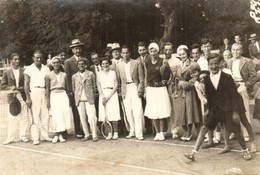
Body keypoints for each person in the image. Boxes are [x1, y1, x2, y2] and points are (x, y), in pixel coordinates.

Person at [185, 53, 252, 161]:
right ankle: (193, 153)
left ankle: (245, 151)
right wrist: (208, 110)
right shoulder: (206, 79)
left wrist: (235, 112)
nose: (214, 66)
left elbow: (234, 96)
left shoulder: (227, 77)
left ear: (220, 64)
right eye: (211, 64)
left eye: (216, 64)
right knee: (203, 129)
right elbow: (210, 97)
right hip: (215, 110)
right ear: (208, 65)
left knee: (236, 131)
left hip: (228, 109)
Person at [228, 43, 258, 142]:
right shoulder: (228, 61)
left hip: (242, 86)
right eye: (233, 50)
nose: (235, 52)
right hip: (232, 87)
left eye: (237, 50)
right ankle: (234, 132)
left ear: (241, 51)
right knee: (232, 110)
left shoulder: (247, 61)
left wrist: (246, 85)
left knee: (243, 110)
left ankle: (246, 133)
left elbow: (254, 76)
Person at [24, 50, 52, 145]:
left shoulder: (46, 69)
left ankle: (44, 135)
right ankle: (35, 137)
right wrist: (28, 98)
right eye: (37, 57)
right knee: (35, 115)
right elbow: (26, 85)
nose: (39, 59)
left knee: (45, 115)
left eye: (40, 57)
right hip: (34, 92)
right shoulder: (29, 69)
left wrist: (48, 99)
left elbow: (48, 85)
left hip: (43, 91)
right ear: (33, 58)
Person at [144, 42, 171, 141]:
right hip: (151, 90)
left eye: (154, 50)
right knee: (153, 112)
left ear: (158, 51)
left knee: (161, 111)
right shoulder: (146, 62)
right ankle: (157, 132)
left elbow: (169, 74)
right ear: (149, 51)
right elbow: (146, 76)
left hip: (160, 89)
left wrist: (165, 81)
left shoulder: (163, 61)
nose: (152, 52)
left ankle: (162, 133)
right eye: (151, 50)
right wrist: (146, 89)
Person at [64, 39, 91, 138]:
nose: (78, 51)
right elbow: (68, 77)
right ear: (72, 50)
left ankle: (87, 130)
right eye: (76, 49)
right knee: (76, 110)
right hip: (75, 90)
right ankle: (78, 130)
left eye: (79, 48)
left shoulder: (86, 60)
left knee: (87, 110)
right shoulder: (68, 62)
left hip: (86, 89)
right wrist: (70, 91)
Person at [117, 45, 144, 140]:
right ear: (121, 54)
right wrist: (121, 92)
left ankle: (139, 133)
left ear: (130, 53)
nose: (125, 55)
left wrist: (140, 90)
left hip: (134, 87)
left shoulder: (136, 63)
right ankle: (132, 131)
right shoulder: (119, 65)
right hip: (125, 89)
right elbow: (119, 81)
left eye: (127, 52)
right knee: (128, 112)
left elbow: (141, 79)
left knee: (137, 111)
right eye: (123, 53)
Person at [1, 53, 29, 145]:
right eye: (15, 59)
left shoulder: (24, 71)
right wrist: (10, 88)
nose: (17, 61)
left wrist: (22, 88)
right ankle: (10, 137)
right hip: (12, 97)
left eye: (18, 59)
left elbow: (27, 84)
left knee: (24, 116)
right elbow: (2, 86)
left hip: (22, 96)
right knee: (12, 118)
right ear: (11, 60)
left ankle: (23, 135)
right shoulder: (7, 72)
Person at [175, 45, 202, 141]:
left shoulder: (193, 64)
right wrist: (179, 84)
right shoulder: (179, 65)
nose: (182, 56)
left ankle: (193, 133)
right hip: (182, 92)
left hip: (191, 91)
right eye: (180, 54)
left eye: (184, 54)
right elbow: (177, 78)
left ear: (187, 54)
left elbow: (195, 79)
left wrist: (185, 84)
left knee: (191, 111)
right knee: (183, 112)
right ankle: (187, 131)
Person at [45, 56, 71, 143]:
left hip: (63, 95)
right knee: (56, 115)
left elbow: (67, 88)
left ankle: (60, 134)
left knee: (63, 114)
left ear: (60, 64)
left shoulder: (64, 75)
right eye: (54, 63)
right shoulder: (48, 75)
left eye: (58, 62)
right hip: (54, 95)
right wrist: (48, 101)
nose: (56, 64)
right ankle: (56, 134)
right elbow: (47, 89)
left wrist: (68, 98)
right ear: (52, 64)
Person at [72, 59, 98, 142]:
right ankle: (86, 134)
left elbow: (95, 86)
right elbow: (74, 88)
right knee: (82, 118)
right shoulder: (74, 76)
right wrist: (77, 97)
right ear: (77, 66)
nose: (81, 65)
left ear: (85, 65)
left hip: (89, 99)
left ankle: (94, 135)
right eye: (79, 64)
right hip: (80, 99)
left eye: (83, 64)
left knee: (92, 117)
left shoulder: (90, 74)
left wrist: (93, 96)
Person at [97, 57, 121, 140]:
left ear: (109, 64)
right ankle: (109, 133)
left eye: (106, 63)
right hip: (103, 95)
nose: (105, 65)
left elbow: (116, 85)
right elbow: (99, 86)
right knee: (105, 115)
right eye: (103, 63)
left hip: (112, 95)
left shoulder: (113, 73)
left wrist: (109, 96)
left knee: (114, 114)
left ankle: (116, 133)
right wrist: (103, 96)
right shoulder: (99, 74)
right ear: (101, 65)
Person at [162, 42, 181, 138]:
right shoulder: (161, 60)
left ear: (172, 50)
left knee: (173, 109)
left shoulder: (177, 61)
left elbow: (179, 75)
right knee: (164, 108)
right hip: (162, 88)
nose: (168, 51)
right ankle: (164, 130)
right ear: (163, 50)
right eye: (166, 49)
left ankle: (174, 130)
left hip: (173, 87)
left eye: (169, 49)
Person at [136, 42, 151, 134]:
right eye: (140, 50)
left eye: (143, 50)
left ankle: (156, 129)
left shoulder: (151, 58)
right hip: (142, 86)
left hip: (150, 85)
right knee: (144, 106)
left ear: (146, 50)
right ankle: (148, 127)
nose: (142, 52)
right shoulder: (137, 60)